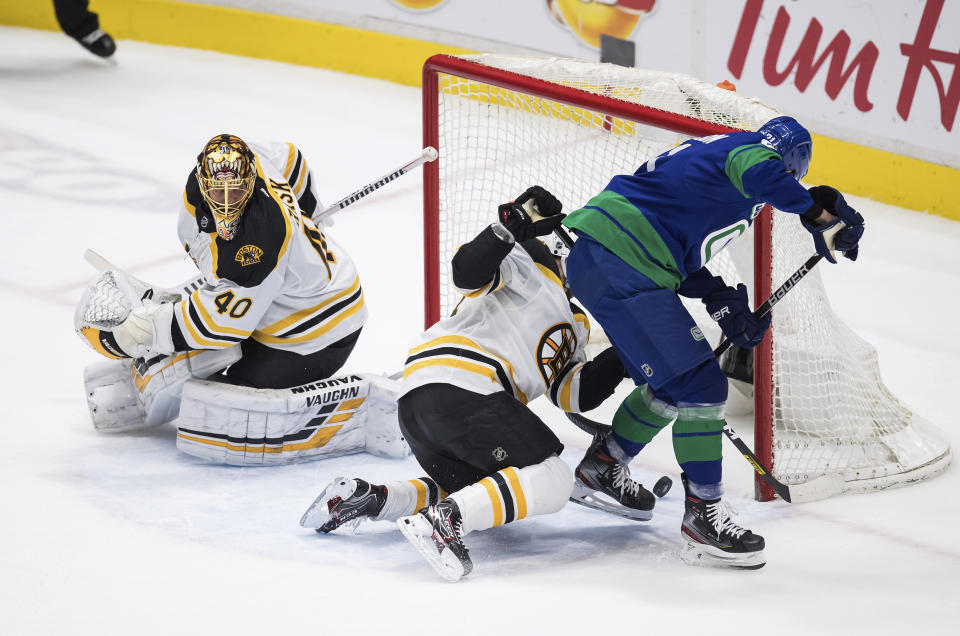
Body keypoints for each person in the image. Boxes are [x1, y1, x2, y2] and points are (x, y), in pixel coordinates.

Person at [300, 186, 659, 582]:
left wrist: (627, 354)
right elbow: (466, 270)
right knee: (555, 480)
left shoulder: (575, 324)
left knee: (482, 486)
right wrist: (512, 226)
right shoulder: (528, 263)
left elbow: (574, 393)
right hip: (464, 385)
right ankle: (447, 521)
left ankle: (370, 498)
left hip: (424, 400)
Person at [559, 116, 865, 569]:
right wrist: (816, 214)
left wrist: (722, 300)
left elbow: (674, 247)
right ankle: (704, 516)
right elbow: (761, 168)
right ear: (790, 165)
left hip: (619, 258)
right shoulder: (747, 153)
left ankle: (603, 466)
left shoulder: (710, 161)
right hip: (620, 264)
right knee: (701, 387)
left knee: (674, 385)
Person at [75, 134, 407, 465]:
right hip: (292, 289)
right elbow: (290, 157)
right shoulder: (249, 159)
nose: (225, 201)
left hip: (318, 331)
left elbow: (220, 327)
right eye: (216, 191)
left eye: (235, 191)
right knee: (190, 340)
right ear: (203, 179)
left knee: (223, 395)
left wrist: (145, 331)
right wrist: (306, 205)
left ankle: (342, 414)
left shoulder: (257, 249)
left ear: (250, 182)